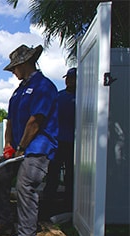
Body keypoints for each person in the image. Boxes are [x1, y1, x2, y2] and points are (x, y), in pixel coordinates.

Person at [0, 44, 58, 236]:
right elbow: (10, 122)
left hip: (37, 147)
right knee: (0, 177)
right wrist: (8, 144)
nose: (13, 71)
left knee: (26, 184)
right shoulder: (19, 91)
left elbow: (36, 121)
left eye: (15, 68)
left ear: (25, 64)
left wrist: (22, 147)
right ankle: (3, 219)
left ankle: (26, 235)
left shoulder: (44, 86)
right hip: (18, 147)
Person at [43, 68, 76, 213]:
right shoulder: (59, 97)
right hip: (58, 142)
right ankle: (48, 205)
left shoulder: (81, 98)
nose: (68, 81)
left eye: (72, 78)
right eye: (67, 78)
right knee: (53, 175)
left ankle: (69, 205)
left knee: (71, 175)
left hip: (73, 143)